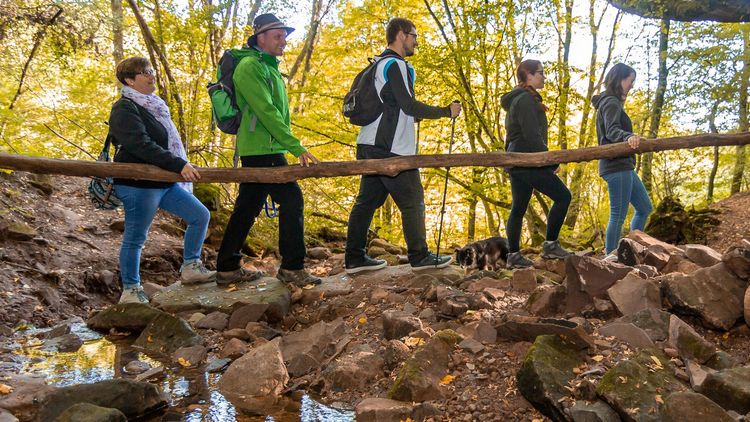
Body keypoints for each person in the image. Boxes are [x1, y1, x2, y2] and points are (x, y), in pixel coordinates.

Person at [344, 17, 462, 275]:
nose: (416, 41)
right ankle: (420, 257)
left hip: (369, 144)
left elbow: (397, 108)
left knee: (367, 202)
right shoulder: (395, 64)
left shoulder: (379, 64)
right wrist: (446, 111)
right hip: (391, 150)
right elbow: (408, 105)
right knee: (413, 200)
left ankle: (354, 258)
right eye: (414, 36)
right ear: (400, 34)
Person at [215, 13, 322, 287]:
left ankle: (227, 266)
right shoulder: (250, 67)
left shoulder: (270, 67)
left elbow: (275, 113)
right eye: (278, 35)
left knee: (247, 206)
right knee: (292, 199)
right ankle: (292, 267)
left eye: (285, 35)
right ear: (260, 37)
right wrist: (296, 146)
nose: (284, 41)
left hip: (266, 147)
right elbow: (265, 111)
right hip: (263, 149)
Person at [109, 56, 215, 304]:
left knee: (200, 215)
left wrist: (176, 167)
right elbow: (141, 145)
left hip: (164, 182)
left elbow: (163, 142)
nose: (151, 75)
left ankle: (191, 267)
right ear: (129, 80)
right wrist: (179, 165)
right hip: (138, 184)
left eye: (151, 71)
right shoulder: (124, 108)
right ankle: (131, 291)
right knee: (136, 237)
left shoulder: (154, 105)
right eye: (144, 72)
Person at [500, 60, 573, 269]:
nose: (544, 76)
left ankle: (513, 256)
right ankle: (550, 245)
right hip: (527, 160)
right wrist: (549, 162)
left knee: (518, 207)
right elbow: (531, 135)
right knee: (563, 196)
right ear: (529, 75)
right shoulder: (524, 100)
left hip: (518, 160)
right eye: (541, 73)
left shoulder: (523, 98)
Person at [592, 63, 653, 261]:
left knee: (644, 207)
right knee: (618, 214)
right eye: (630, 81)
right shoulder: (610, 102)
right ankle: (611, 257)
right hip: (616, 165)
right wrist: (629, 136)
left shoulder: (611, 102)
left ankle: (631, 247)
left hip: (624, 165)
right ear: (620, 80)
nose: (632, 86)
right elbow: (611, 131)